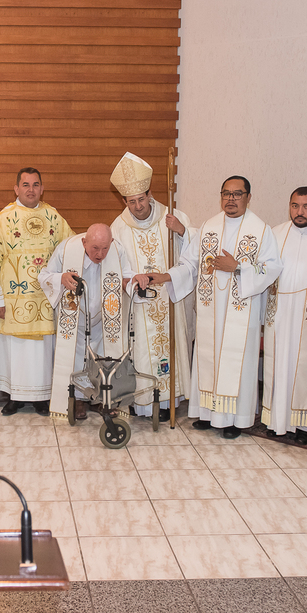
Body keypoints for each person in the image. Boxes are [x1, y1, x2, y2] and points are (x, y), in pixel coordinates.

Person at [157, 176, 281, 438]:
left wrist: (238, 267)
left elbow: (272, 268)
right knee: (208, 358)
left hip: (240, 311)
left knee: (236, 363)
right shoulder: (209, 226)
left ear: (249, 197)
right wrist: (168, 276)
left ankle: (236, 420)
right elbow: (190, 263)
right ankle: (207, 414)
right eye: (226, 193)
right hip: (210, 310)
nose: (231, 199)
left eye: (237, 194)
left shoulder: (261, 230)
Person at [108, 152, 194, 422]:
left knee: (171, 349)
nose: (138, 206)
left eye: (141, 199)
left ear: (149, 194)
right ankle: (145, 404)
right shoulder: (118, 227)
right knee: (144, 352)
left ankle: (171, 401)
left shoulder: (173, 216)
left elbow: (194, 257)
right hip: (140, 306)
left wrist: (182, 232)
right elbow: (116, 269)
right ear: (124, 201)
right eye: (131, 202)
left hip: (170, 299)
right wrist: (134, 279)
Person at [0, 167, 74, 415]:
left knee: (42, 352)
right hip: (11, 299)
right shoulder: (2, 220)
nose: (31, 189)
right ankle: (14, 397)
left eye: (35, 185)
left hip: (45, 299)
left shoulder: (54, 217)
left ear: (42, 188)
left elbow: (70, 247)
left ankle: (41, 397)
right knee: (15, 350)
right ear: (16, 188)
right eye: (25, 185)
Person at [40, 224, 142, 419]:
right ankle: (78, 399)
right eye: (95, 248)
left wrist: (134, 282)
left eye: (105, 248)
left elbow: (126, 278)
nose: (101, 254)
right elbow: (44, 276)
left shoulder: (117, 250)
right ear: (84, 242)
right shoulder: (66, 248)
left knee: (104, 356)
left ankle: (102, 399)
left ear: (111, 242)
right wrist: (61, 277)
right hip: (75, 317)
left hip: (106, 317)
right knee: (77, 356)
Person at [261, 187, 307, 443]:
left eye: (306, 206)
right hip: (278, 313)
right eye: (295, 206)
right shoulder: (275, 235)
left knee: (306, 367)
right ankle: (275, 419)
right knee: (276, 366)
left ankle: (306, 426)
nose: (300, 212)